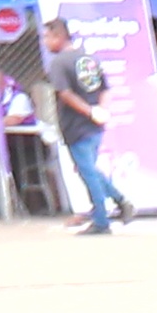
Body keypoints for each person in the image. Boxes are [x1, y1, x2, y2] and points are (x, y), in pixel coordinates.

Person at [45, 30, 131, 239]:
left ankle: (101, 220)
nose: (45, 42)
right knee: (88, 168)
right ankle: (120, 201)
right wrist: (100, 110)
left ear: (59, 37)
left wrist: (91, 111)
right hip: (94, 126)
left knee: (88, 172)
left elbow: (65, 94)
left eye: (47, 36)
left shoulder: (59, 63)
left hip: (76, 125)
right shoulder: (89, 58)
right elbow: (105, 89)